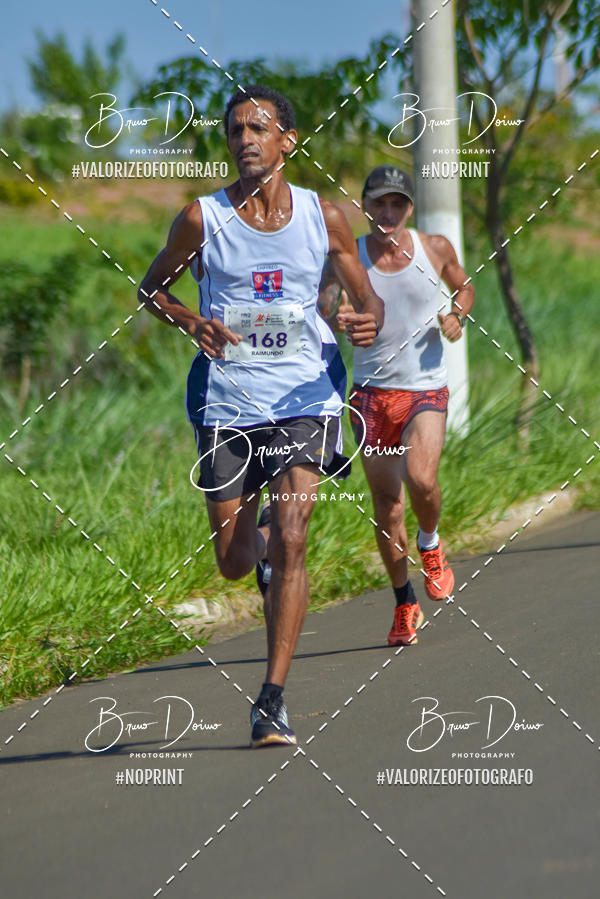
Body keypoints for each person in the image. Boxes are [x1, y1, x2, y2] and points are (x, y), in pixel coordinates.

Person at [138, 86, 384, 748]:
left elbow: (367, 301)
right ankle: (262, 529)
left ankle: (271, 698)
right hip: (228, 399)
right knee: (233, 559)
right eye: (235, 130)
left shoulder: (324, 217)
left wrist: (365, 322)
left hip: (304, 395)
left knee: (296, 536)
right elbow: (151, 288)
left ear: (288, 141)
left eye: (259, 128)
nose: (245, 138)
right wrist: (192, 320)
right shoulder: (201, 219)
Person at [318, 166, 474, 646]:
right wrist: (337, 313)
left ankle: (430, 542)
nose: (388, 214)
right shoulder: (349, 255)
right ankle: (405, 602)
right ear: (364, 205)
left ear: (410, 208)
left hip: (425, 389)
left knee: (422, 478)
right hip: (370, 395)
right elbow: (324, 303)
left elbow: (464, 286)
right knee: (386, 507)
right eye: (379, 204)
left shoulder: (436, 248)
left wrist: (457, 316)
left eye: (397, 205)